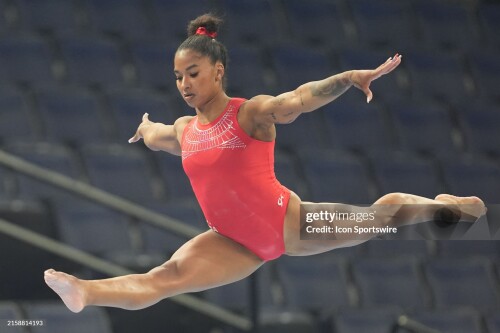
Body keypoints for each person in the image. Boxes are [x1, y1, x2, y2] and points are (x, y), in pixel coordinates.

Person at [44, 14, 485, 313]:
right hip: (232, 243)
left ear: (217, 71)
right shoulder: (185, 130)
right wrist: (146, 129)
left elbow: (296, 100)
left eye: (193, 73)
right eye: (178, 76)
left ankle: (440, 206)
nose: (184, 84)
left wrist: (349, 79)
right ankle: (85, 292)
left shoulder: (249, 114)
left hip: (289, 225)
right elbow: (160, 136)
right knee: (166, 277)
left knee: (380, 218)